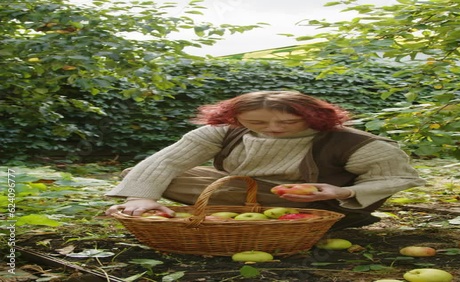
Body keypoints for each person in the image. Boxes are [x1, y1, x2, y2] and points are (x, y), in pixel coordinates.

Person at [105, 90, 425, 230]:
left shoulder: (352, 142)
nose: (272, 130)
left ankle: (333, 220)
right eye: (257, 123)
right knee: (141, 174)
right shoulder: (223, 131)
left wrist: (340, 192)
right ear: (236, 117)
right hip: (244, 188)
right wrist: (140, 197)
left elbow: (399, 177)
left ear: (314, 117)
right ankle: (254, 218)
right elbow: (167, 161)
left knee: (220, 190)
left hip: (316, 199)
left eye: (287, 123)